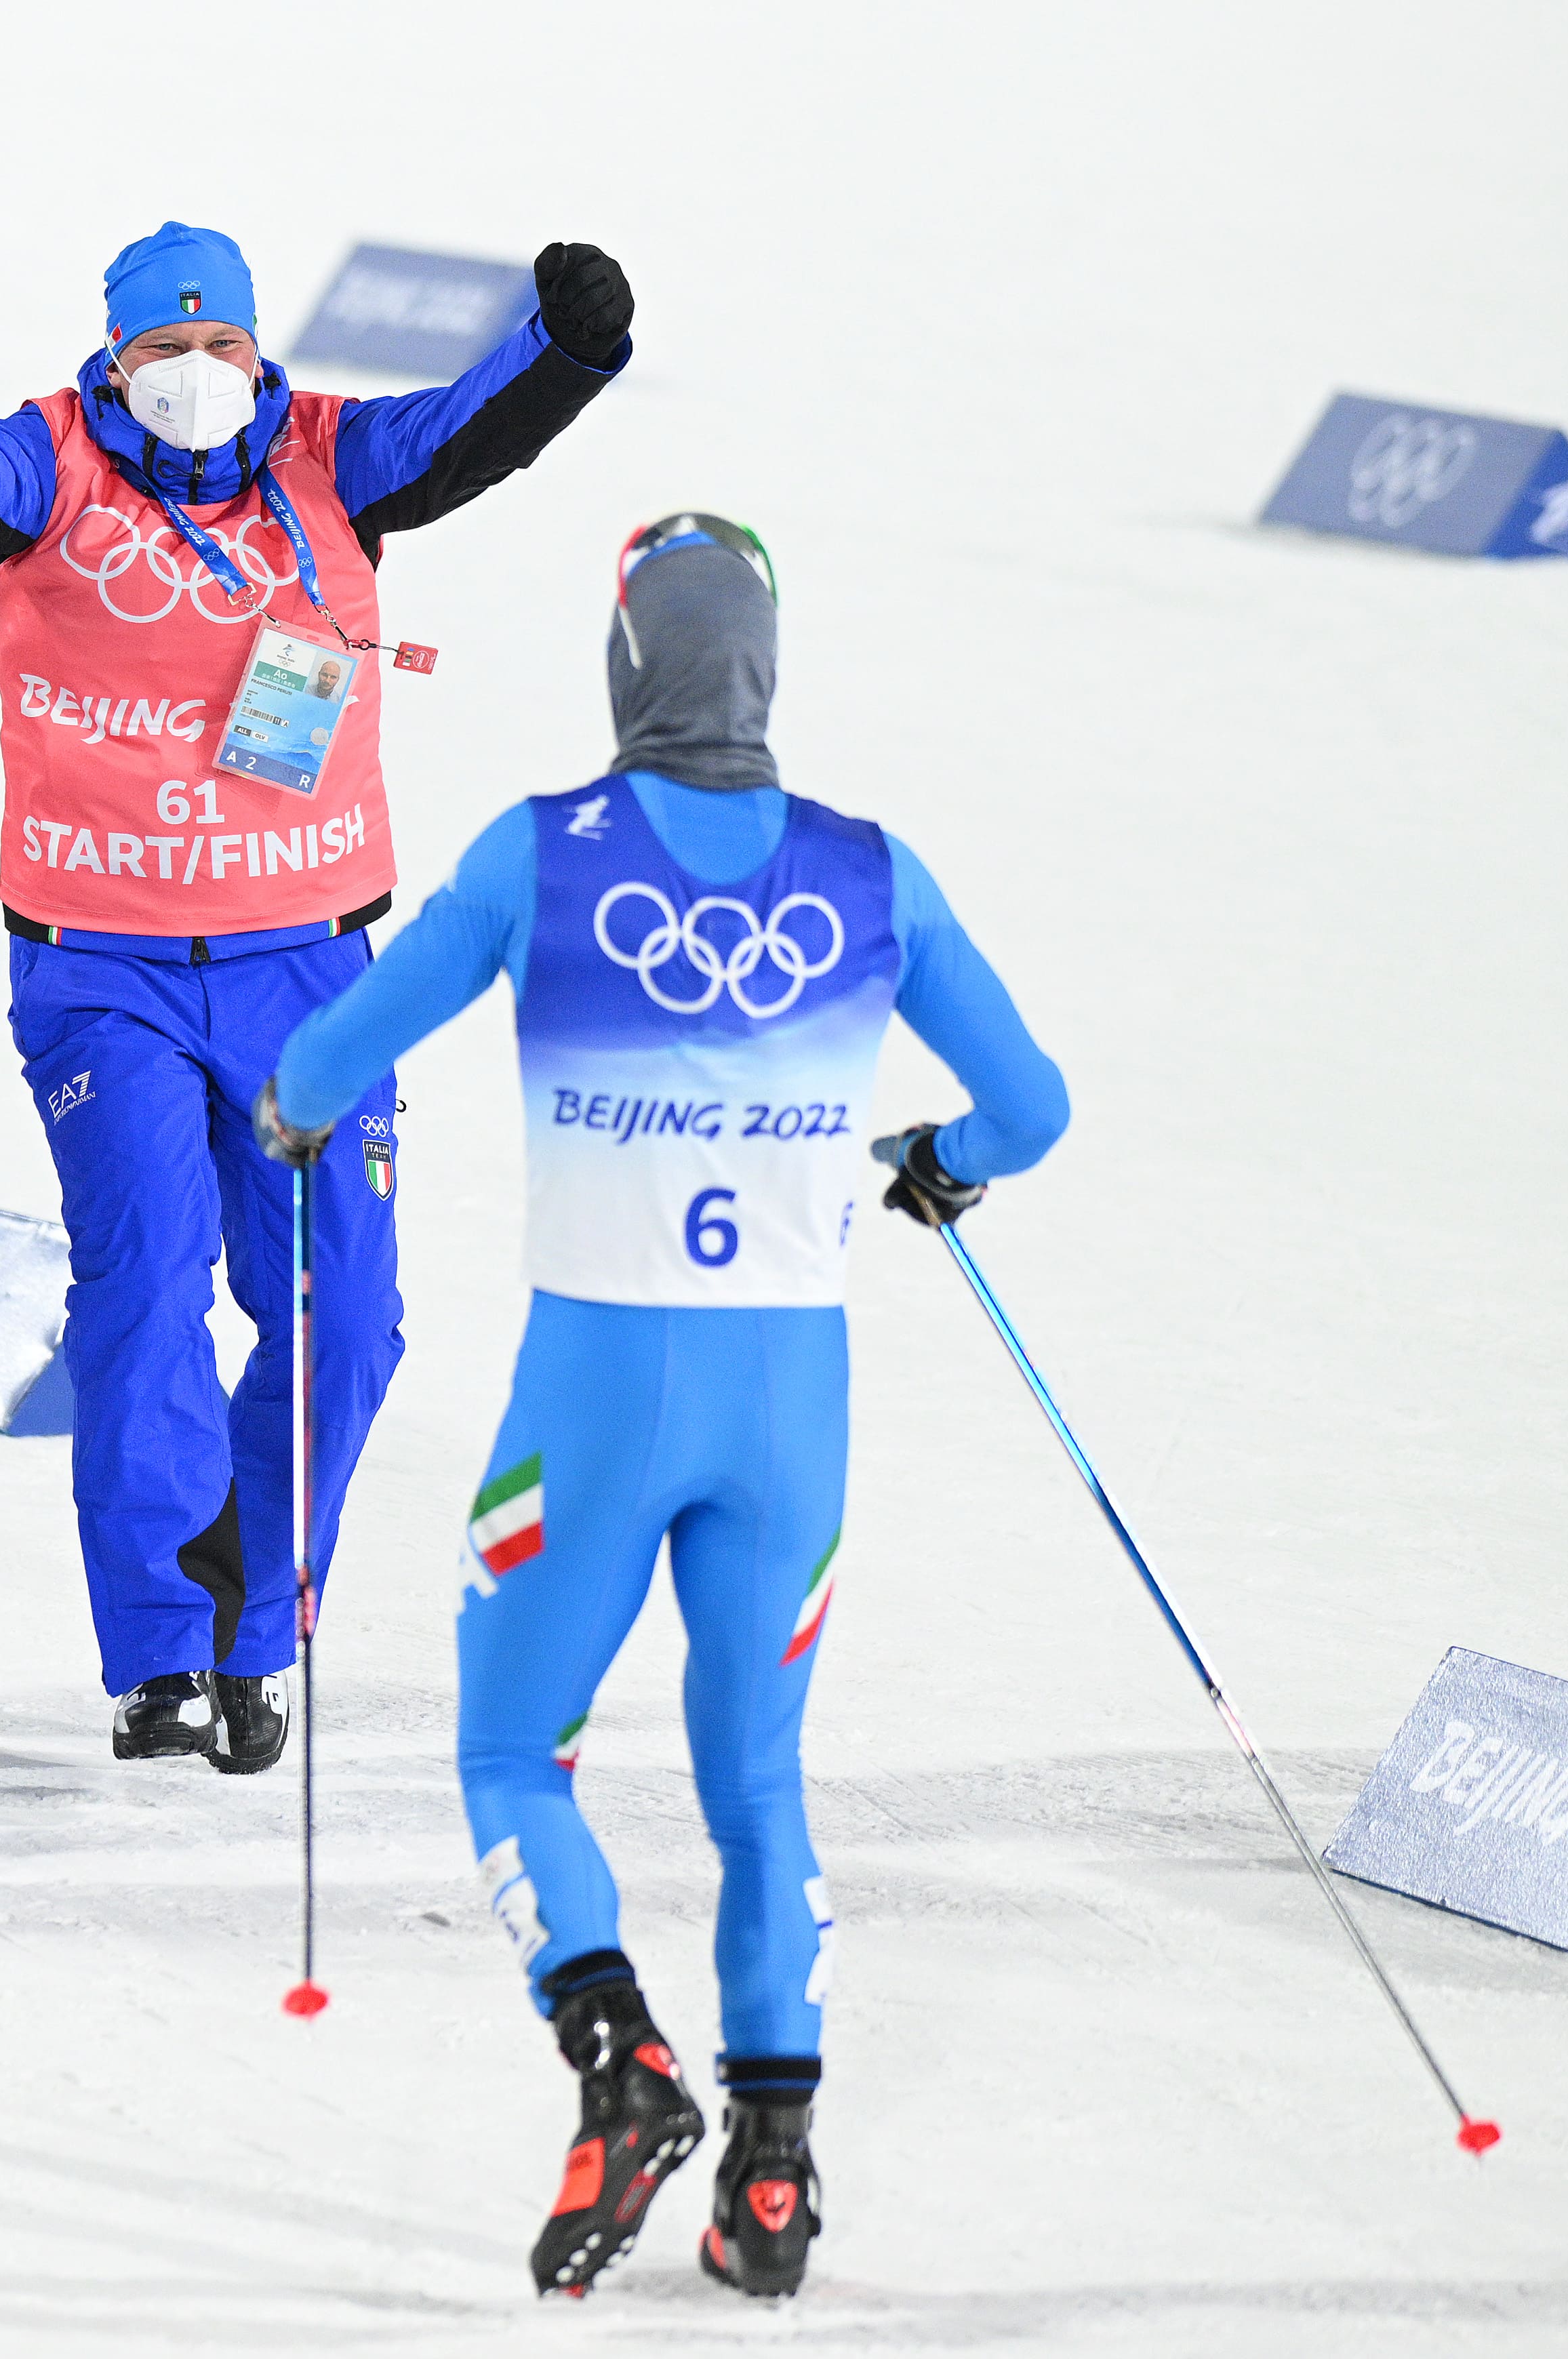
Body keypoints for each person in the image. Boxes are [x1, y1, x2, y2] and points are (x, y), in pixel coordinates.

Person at [258, 517, 1070, 2300]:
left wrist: (295, 1112)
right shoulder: (875, 873)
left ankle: (615, 2062)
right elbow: (1030, 1106)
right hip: (790, 1400)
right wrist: (932, 1161)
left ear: (624, 665)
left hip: (597, 1390)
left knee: (506, 1749)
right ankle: (770, 2182)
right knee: (756, 1781)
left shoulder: (542, 853)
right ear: (761, 670)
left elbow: (325, 1053)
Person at [0, 224, 634, 1771]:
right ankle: (155, 1655)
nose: (196, 378)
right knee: (145, 1299)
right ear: (112, 363)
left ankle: (251, 1617)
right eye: (161, 353)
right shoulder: (54, 462)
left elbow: (477, 424)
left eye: (222, 349)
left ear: (259, 352)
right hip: (103, 971)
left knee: (349, 1322)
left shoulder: (331, 457)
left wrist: (570, 341)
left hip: (308, 969)